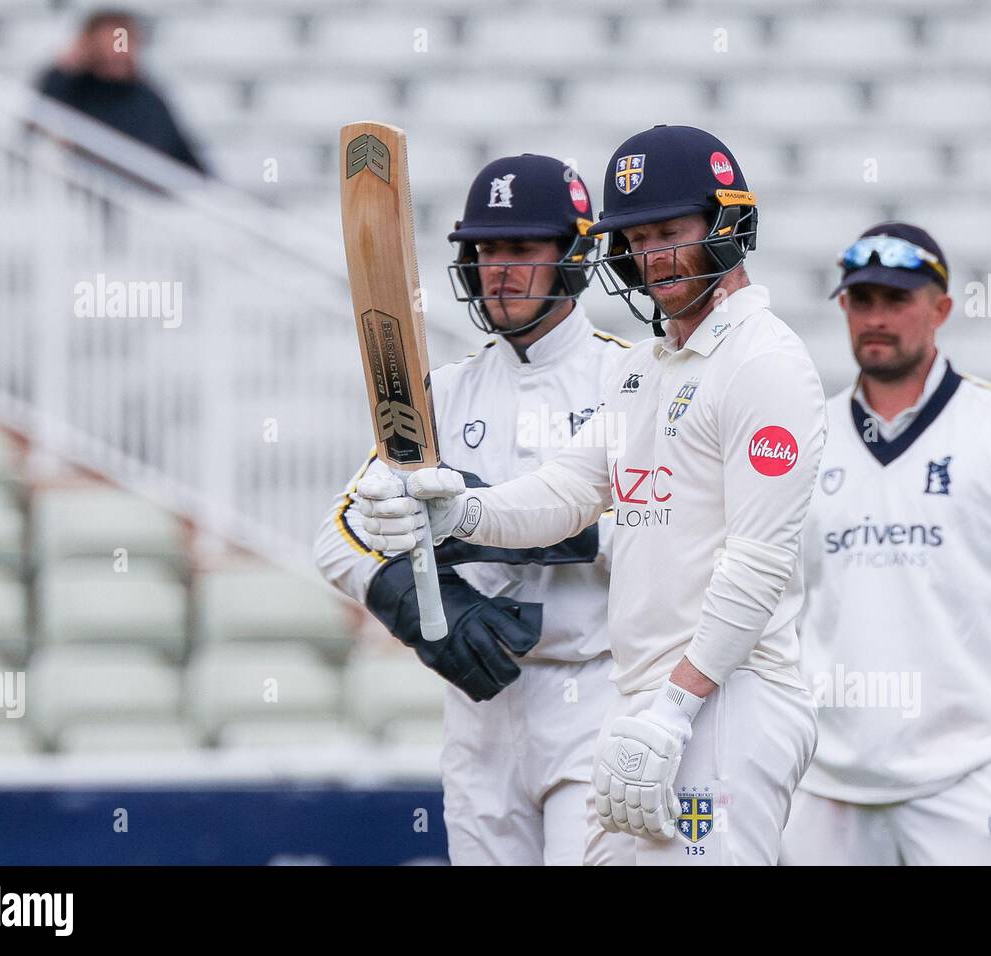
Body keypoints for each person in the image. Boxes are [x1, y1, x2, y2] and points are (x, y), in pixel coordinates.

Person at [353, 126, 827, 866]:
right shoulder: (642, 369)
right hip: (642, 701)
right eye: (637, 238)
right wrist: (457, 511)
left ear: (728, 225)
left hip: (727, 698)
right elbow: (568, 490)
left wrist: (676, 707)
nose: (654, 256)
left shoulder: (766, 364)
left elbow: (758, 566)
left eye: (673, 231)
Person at [314, 154, 633, 866]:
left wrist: (493, 524)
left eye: (523, 248)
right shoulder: (442, 394)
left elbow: (654, 532)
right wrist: (429, 607)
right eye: (486, 249)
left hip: (597, 696)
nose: (500, 268)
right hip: (480, 707)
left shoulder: (628, 379)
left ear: (574, 254)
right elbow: (340, 536)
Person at [780, 222, 991, 866]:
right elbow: (776, 607)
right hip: (825, 787)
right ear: (842, 307)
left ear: (940, 309)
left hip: (971, 777)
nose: (877, 317)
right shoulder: (806, 442)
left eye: (897, 300)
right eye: (862, 300)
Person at [36, 9, 207, 173]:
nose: (116, 52)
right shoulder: (72, 88)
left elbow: (187, 159)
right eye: (106, 44)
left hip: (147, 194)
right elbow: (43, 117)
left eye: (122, 41)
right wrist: (63, 69)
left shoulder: (150, 99)